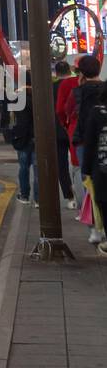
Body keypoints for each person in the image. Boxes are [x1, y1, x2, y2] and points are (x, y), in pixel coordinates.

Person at [71, 55, 106, 244]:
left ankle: (94, 229)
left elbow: (66, 112)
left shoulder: (79, 92)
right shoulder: (104, 88)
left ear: (82, 72)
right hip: (104, 140)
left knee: (88, 184)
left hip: (85, 141)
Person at [81, 92, 107, 255]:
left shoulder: (97, 113)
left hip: (102, 168)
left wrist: (87, 170)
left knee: (103, 202)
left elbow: (89, 142)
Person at [51, 61, 76, 209]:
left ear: (56, 73)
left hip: (57, 129)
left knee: (62, 165)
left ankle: (69, 197)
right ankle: (81, 194)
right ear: (69, 70)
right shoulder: (76, 84)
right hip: (74, 128)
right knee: (78, 163)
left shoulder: (51, 87)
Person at [11, 87, 38, 205]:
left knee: (23, 168)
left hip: (23, 140)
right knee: (37, 171)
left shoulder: (18, 104)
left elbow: (15, 122)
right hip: (36, 138)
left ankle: (24, 195)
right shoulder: (38, 102)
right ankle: (38, 199)